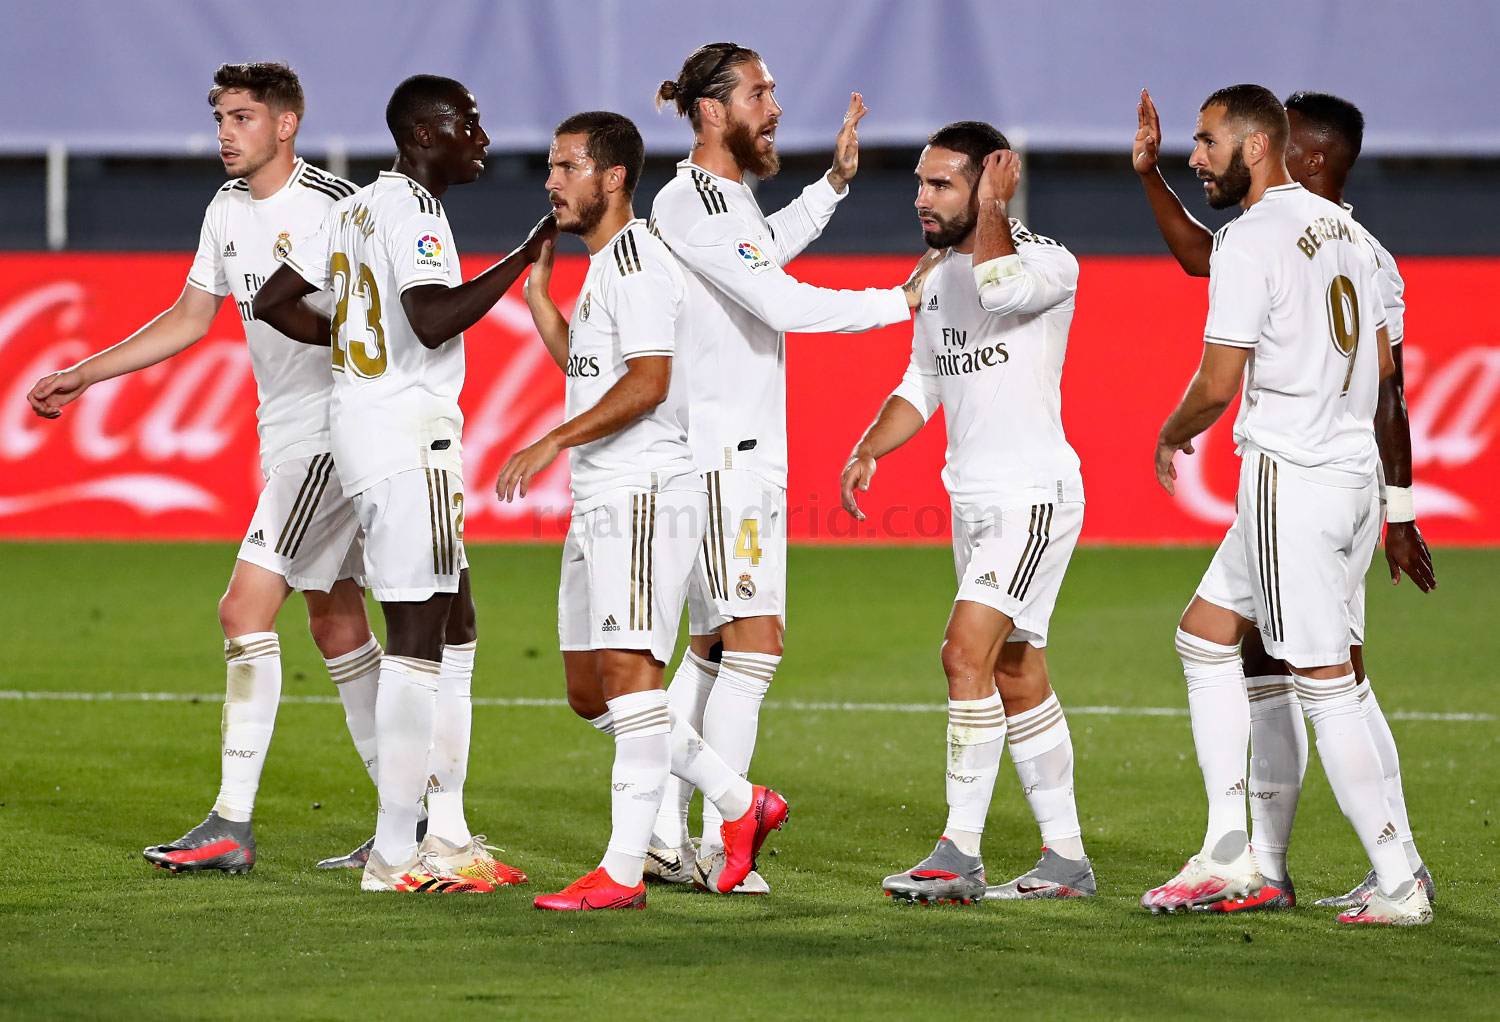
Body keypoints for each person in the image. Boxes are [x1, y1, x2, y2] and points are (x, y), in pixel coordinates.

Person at [26, 62, 383, 876]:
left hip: (331, 439)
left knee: (242, 609)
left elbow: (386, 324)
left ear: (287, 124)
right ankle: (413, 817)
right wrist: (88, 372)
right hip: (286, 436)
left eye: (244, 117)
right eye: (220, 116)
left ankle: (231, 824)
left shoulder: (337, 207)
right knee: (337, 624)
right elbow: (193, 316)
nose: (225, 131)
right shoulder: (225, 208)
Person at [1132, 88, 1437, 912]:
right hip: (1349, 479)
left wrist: (1169, 431)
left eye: (1206, 141)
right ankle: (1235, 853)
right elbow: (1383, 371)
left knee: (1325, 681)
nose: (1196, 155)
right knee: (1205, 637)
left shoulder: (1251, 239)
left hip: (1289, 475)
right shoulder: (1358, 241)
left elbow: (1218, 381)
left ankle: (1398, 878)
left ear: (1262, 147)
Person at [254, 74, 552, 893]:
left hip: (365, 426)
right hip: (405, 436)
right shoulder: (416, 211)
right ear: (426, 134)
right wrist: (521, 262)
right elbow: (430, 317)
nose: (482, 139)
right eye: (471, 123)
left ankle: (448, 833)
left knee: (456, 626)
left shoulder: (350, 209)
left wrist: (353, 338)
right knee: (419, 641)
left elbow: (275, 299)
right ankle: (394, 853)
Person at [647, 42, 928, 891]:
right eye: (759, 93)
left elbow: (759, 254)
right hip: (728, 458)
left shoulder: (715, 200)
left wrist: (832, 189)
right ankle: (723, 839)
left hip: (719, 452)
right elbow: (777, 299)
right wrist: (900, 301)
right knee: (756, 648)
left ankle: (663, 832)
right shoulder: (691, 197)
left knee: (709, 648)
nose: (774, 107)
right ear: (709, 109)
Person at [502, 111, 788, 910]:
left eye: (567, 166)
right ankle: (740, 801)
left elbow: (649, 382)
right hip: (599, 497)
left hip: (644, 496)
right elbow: (600, 372)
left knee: (630, 682)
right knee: (590, 693)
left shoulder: (640, 263)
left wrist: (551, 439)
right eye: (552, 167)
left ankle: (624, 872)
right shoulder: (603, 268)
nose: (552, 181)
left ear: (614, 177)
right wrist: (541, 305)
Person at [840, 122, 1094, 904]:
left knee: (962, 655)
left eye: (942, 183)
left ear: (990, 181)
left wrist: (993, 210)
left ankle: (960, 853)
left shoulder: (1049, 262)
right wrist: (870, 446)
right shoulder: (935, 273)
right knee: (1016, 672)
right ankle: (1066, 861)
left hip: (1031, 499)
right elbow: (924, 381)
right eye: (920, 181)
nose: (921, 196)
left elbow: (996, 288)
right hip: (974, 502)